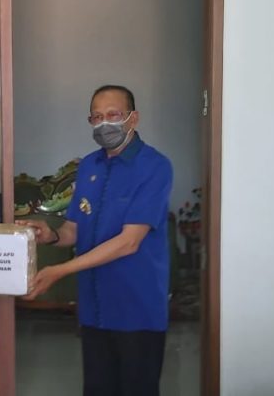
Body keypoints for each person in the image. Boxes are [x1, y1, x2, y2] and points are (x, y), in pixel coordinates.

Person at [18, 84, 174, 396]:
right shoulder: (89, 166)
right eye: (97, 117)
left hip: (137, 310)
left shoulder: (155, 167)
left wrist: (60, 271)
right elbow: (74, 230)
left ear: (133, 118)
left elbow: (129, 242)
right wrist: (50, 235)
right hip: (94, 308)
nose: (104, 124)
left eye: (113, 115)